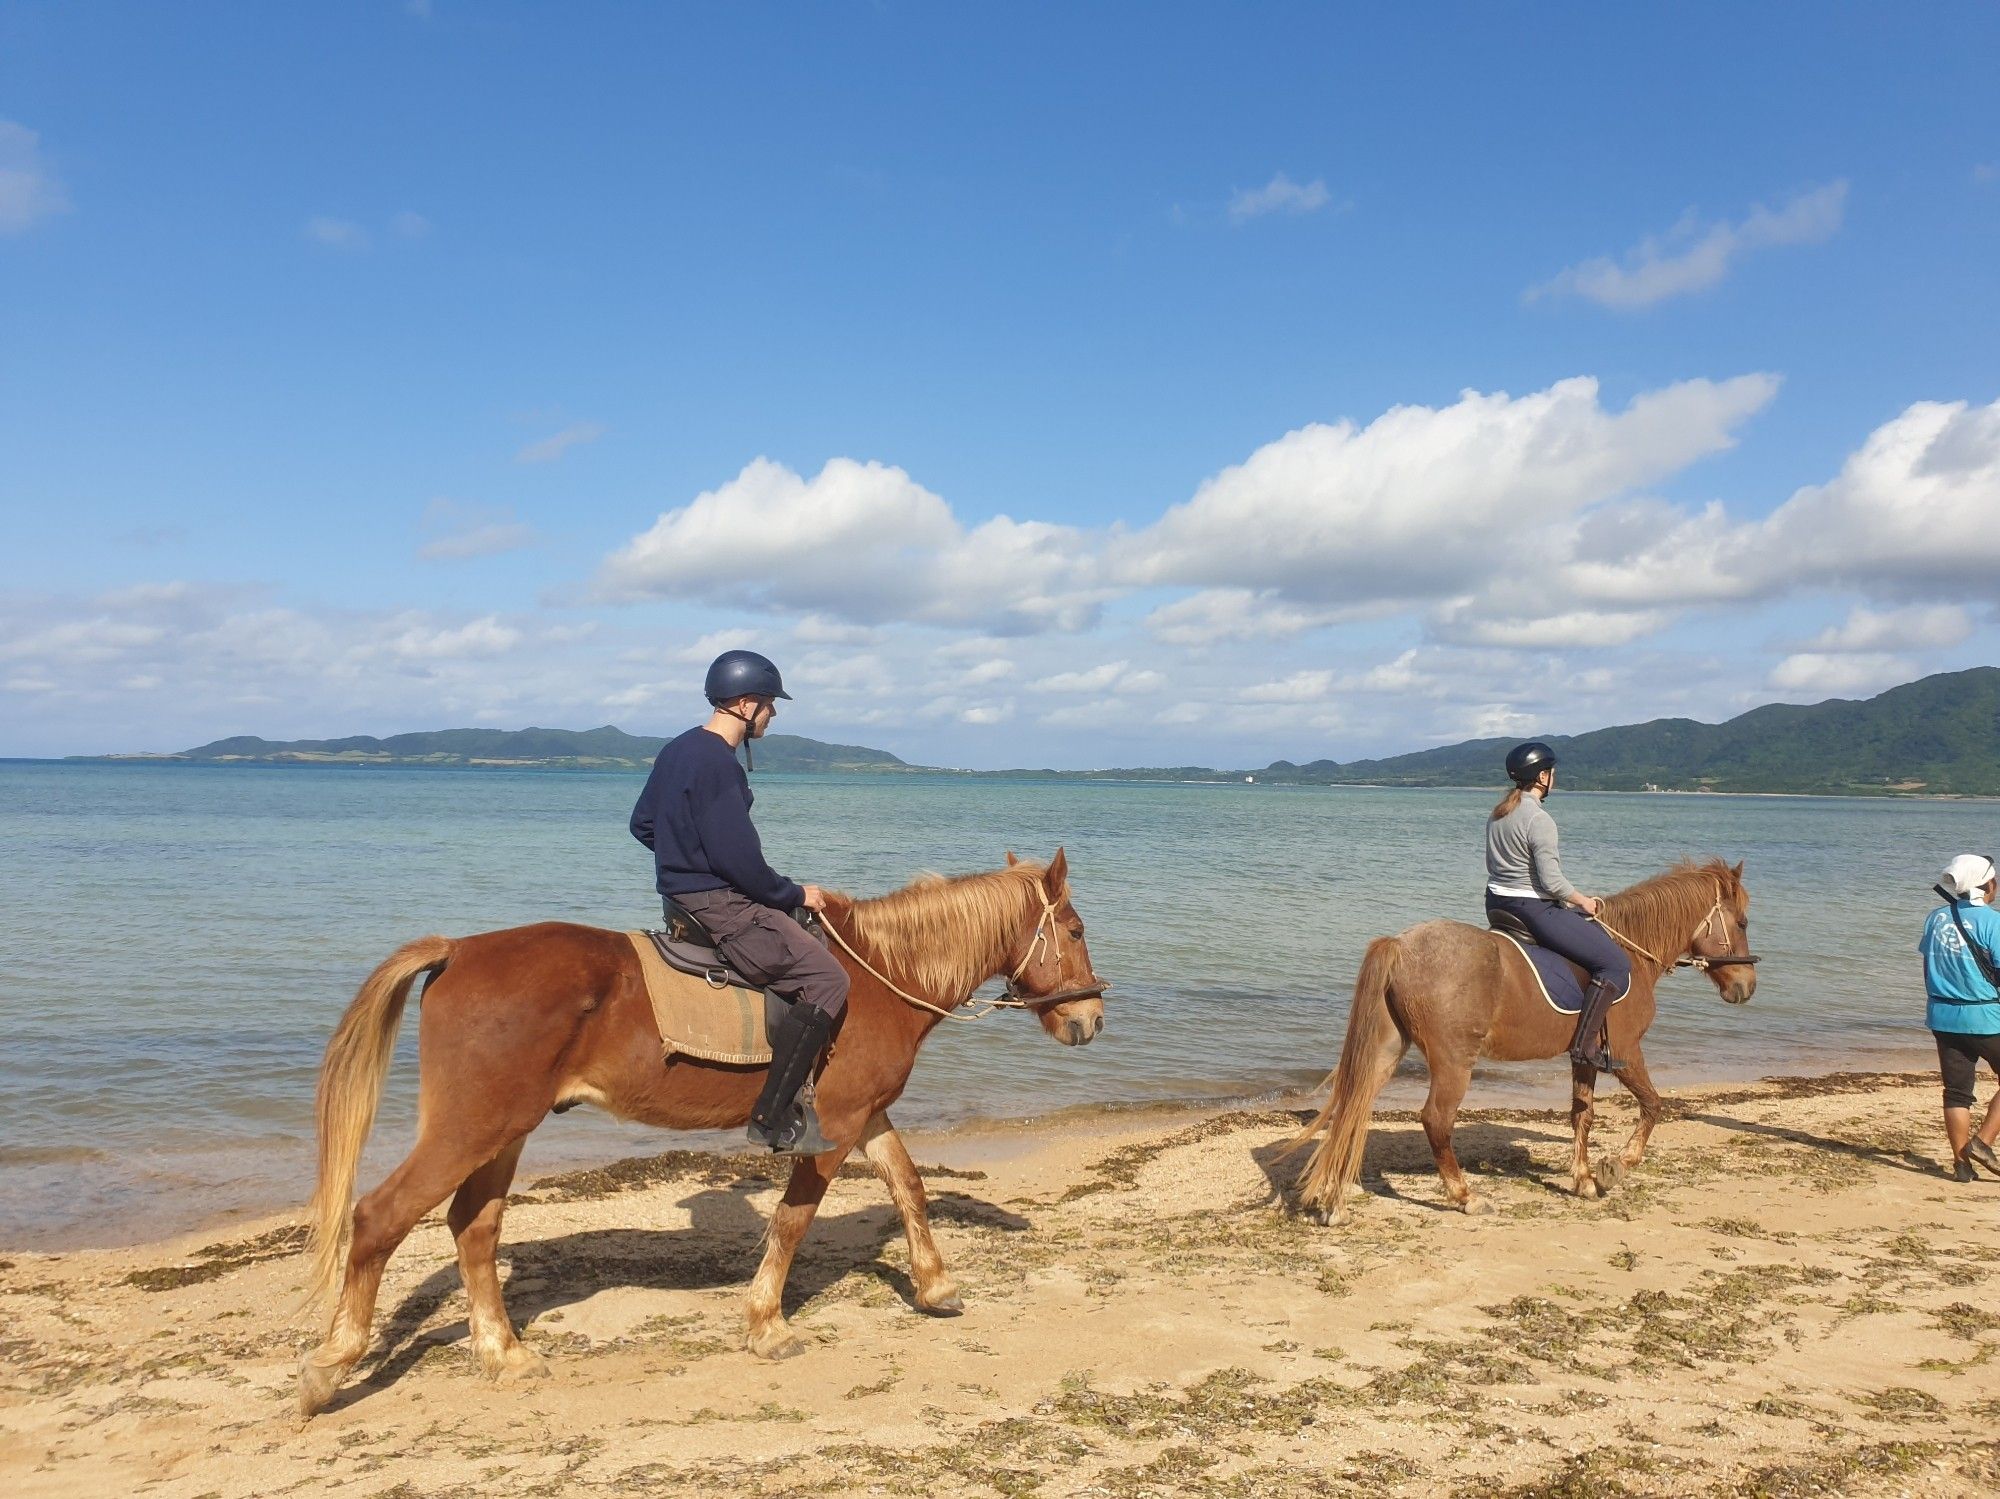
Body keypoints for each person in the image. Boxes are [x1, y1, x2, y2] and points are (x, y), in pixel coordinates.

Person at [629, 649, 849, 1155]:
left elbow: (643, 825)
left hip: (680, 900)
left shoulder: (677, 750)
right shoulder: (719, 766)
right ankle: (773, 1118)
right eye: (770, 704)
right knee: (827, 978)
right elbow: (741, 863)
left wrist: (684, 861)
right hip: (720, 904)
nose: (773, 714)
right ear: (747, 705)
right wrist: (794, 893)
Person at [1484, 741, 1633, 1071]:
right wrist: (1585, 901)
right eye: (1552, 773)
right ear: (1541, 777)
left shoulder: (1499, 813)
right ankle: (1584, 1047)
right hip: (1532, 909)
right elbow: (1552, 883)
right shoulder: (1538, 819)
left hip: (1496, 904)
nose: (1554, 778)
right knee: (1615, 964)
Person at [1919, 854, 2000, 1183]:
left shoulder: (1935, 918)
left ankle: (1961, 1164)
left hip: (1942, 1016)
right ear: (1987, 886)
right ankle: (1982, 1143)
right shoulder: (1992, 922)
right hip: (1984, 1017)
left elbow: (1929, 966)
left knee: (1956, 1092)